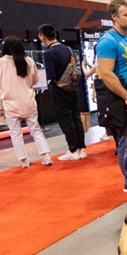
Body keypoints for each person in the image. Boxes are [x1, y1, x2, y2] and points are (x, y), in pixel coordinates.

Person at [96, 0, 127, 193]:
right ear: (114, 17)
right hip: (125, 99)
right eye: (126, 15)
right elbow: (106, 74)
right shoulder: (108, 41)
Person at [0, 37, 53, 168]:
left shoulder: (0, 62)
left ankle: (24, 160)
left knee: (15, 133)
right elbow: (35, 79)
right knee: (36, 130)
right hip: (28, 101)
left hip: (10, 102)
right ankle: (46, 156)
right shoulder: (29, 60)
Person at [39, 23, 86, 161]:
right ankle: (82, 148)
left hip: (60, 90)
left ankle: (73, 149)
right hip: (73, 87)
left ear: (42, 36)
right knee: (76, 117)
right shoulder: (68, 49)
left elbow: (51, 74)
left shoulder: (49, 53)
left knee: (66, 120)